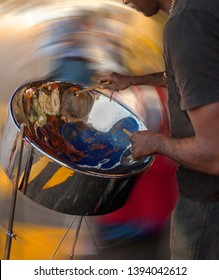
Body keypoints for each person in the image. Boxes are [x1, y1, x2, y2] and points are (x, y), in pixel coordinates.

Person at [98, 0, 219, 259]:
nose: (124, 1)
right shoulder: (204, 9)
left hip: (209, 205)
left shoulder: (186, 24)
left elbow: (213, 155)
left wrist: (156, 143)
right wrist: (135, 80)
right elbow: (195, 74)